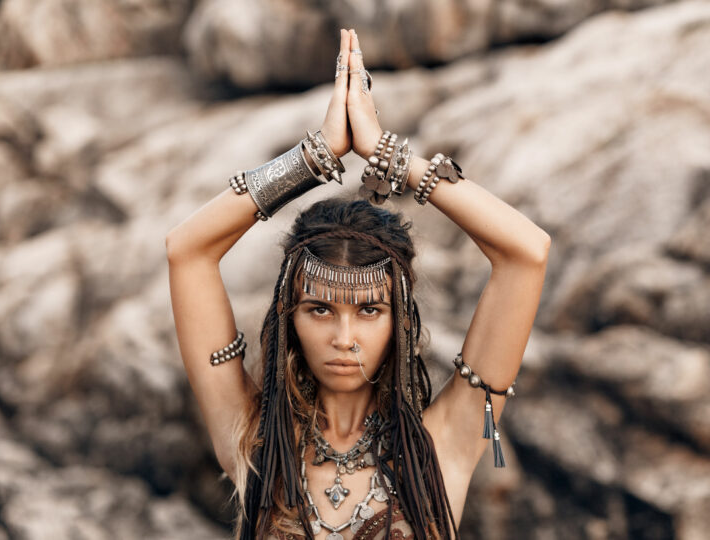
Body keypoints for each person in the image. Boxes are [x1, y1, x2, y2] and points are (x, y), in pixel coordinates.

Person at [166, 28, 550, 540]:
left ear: (399, 319)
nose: (344, 337)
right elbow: (187, 252)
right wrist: (316, 153)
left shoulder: (442, 445)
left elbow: (527, 253)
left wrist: (386, 154)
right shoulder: (255, 440)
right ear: (289, 316)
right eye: (320, 310)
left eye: (369, 310)